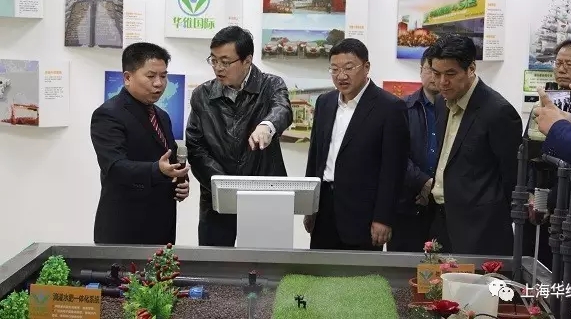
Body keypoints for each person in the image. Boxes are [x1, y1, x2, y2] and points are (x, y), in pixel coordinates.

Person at [186, 26, 293, 247]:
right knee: (216, 262)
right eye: (214, 60)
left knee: (265, 261)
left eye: (225, 62)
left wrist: (267, 126)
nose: (218, 68)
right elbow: (196, 146)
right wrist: (225, 186)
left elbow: (282, 109)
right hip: (217, 198)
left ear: (247, 61)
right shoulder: (202, 95)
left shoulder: (271, 85)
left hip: (265, 196)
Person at [303, 38, 410, 251]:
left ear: (366, 67)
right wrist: (309, 206)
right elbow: (315, 157)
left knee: (361, 272)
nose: (341, 76)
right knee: (320, 268)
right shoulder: (325, 102)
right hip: (324, 208)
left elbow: (393, 170)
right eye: (334, 69)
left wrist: (383, 218)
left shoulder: (390, 108)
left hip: (364, 215)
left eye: (349, 68)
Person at [426, 34, 522, 255]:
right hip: (441, 218)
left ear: (471, 68)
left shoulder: (498, 112)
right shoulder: (441, 101)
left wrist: (492, 219)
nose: (442, 82)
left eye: (450, 74)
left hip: (481, 228)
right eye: (436, 74)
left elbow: (513, 178)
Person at [524, 39, 571, 305]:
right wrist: (533, 195)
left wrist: (551, 201)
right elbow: (531, 151)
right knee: (538, 278)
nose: (561, 69)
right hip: (540, 206)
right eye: (558, 62)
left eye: (570, 63)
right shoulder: (548, 101)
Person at [90, 42, 190, 245]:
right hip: (125, 227)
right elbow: (115, 167)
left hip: (162, 226)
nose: (159, 83)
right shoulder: (108, 114)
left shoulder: (162, 116)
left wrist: (180, 182)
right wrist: (157, 170)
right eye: (151, 76)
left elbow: (167, 161)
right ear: (128, 77)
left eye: (163, 76)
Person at [388, 48, 440, 252]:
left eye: (440, 71)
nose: (435, 76)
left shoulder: (458, 111)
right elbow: (395, 155)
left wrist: (436, 187)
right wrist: (423, 182)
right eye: (430, 70)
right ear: (420, 71)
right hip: (407, 205)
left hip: (445, 207)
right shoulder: (402, 108)